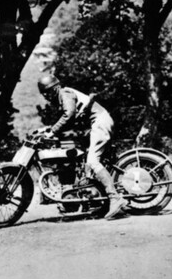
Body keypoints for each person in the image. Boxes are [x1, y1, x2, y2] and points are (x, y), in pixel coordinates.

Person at [36, 73, 127, 220]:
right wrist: (48, 130)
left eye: (47, 92)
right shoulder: (62, 98)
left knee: (92, 161)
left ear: (54, 88)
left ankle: (115, 198)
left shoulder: (65, 93)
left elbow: (69, 115)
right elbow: (67, 121)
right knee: (84, 162)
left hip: (99, 121)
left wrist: (52, 131)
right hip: (96, 123)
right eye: (44, 94)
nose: (46, 97)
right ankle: (101, 203)